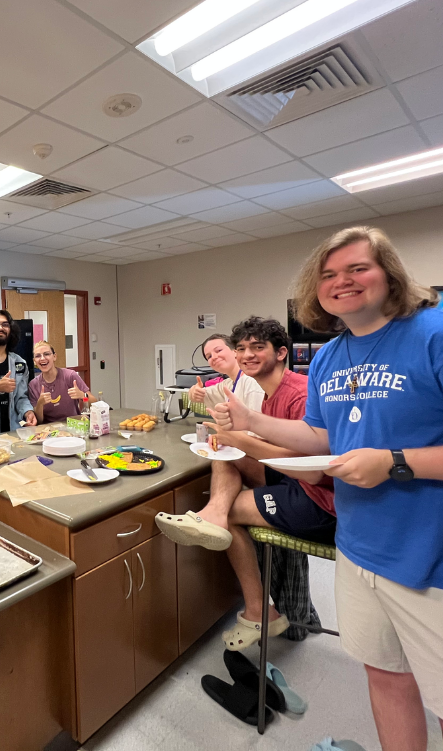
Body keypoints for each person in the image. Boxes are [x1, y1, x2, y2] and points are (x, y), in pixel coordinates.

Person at [211, 227, 443, 751]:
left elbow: (377, 458)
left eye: (358, 268)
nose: (343, 281)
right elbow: (319, 437)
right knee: (386, 678)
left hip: (431, 559)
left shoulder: (433, 332)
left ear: (390, 273)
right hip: (359, 551)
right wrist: (251, 420)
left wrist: (396, 462)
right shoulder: (330, 358)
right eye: (329, 274)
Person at [157, 317, 336, 650]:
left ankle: (259, 611)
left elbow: (308, 469)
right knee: (226, 456)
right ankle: (213, 513)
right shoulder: (270, 394)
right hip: (293, 479)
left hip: (319, 500)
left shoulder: (298, 393)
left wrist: (237, 437)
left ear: (282, 352)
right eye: (241, 348)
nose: (246, 355)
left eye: (257, 347)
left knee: (230, 513)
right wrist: (232, 440)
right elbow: (276, 449)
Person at [187, 333, 264, 412]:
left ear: (235, 351)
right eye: (209, 356)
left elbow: (258, 421)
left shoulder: (251, 381)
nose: (214, 357)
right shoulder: (228, 384)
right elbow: (203, 394)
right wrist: (193, 392)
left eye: (219, 350)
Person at [27, 340, 96, 424]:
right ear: (34, 361)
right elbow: (39, 420)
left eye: (46, 354)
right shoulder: (33, 385)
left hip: (73, 426)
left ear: (54, 357)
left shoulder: (70, 376)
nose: (42, 358)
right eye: (38, 356)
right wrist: (40, 404)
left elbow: (94, 403)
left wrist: (83, 395)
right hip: (49, 430)